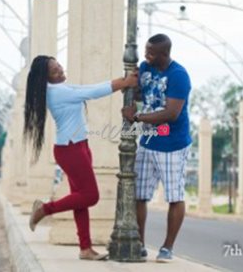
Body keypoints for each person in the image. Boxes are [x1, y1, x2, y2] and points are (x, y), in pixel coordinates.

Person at [24, 55, 137, 261]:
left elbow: (89, 88)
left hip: (79, 146)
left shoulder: (61, 89)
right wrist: (125, 82)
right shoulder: (58, 92)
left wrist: (123, 81)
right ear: (46, 77)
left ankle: (85, 248)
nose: (59, 69)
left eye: (58, 65)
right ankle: (45, 209)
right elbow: (92, 91)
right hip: (70, 150)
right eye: (54, 70)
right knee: (91, 196)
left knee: (81, 199)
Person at [121, 34, 191, 263]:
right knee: (139, 195)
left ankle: (167, 248)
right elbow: (144, 92)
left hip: (172, 144)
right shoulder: (145, 67)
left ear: (164, 54)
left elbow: (171, 114)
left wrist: (137, 117)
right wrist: (129, 86)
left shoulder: (179, 75)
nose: (145, 55)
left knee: (174, 196)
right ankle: (140, 245)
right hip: (148, 142)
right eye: (145, 50)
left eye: (151, 53)